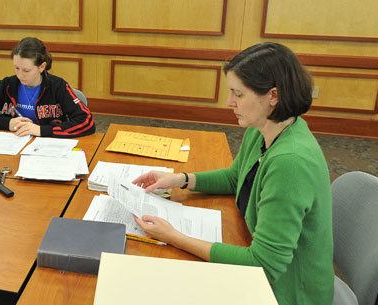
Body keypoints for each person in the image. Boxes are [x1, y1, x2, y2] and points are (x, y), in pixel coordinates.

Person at [131, 42, 333, 305]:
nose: (229, 102)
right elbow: (236, 178)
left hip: (288, 292)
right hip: (260, 261)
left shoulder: (290, 162)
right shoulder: (264, 127)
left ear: (273, 96)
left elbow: (263, 266)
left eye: (238, 94)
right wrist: (181, 180)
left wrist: (175, 237)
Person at [0, 37, 94, 138]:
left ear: (42, 67)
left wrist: (42, 130)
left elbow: (86, 122)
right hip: (13, 144)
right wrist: (7, 123)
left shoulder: (57, 86)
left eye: (26, 70)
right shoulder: (7, 85)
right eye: (17, 68)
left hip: (48, 147)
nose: (20, 75)